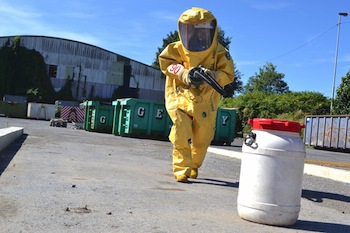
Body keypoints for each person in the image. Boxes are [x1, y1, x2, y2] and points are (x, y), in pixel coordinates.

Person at [158, 7, 234, 183]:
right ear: (187, 29)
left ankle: (193, 166)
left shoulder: (220, 52)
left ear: (211, 30)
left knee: (203, 138)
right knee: (180, 130)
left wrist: (211, 76)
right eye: (195, 29)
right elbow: (167, 64)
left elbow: (228, 74)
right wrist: (185, 74)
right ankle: (181, 170)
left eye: (203, 30)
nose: (200, 35)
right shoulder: (175, 49)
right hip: (181, 96)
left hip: (206, 101)